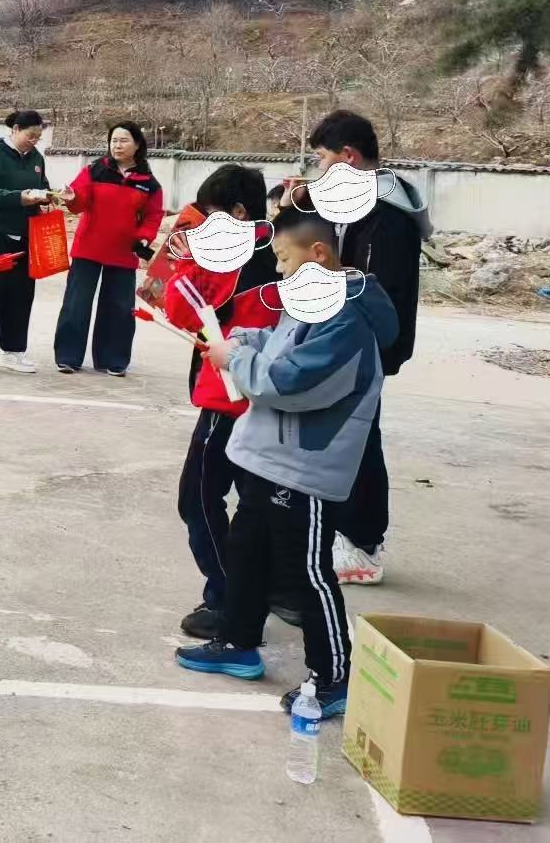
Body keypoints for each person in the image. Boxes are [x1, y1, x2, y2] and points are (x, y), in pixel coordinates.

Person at [175, 206, 398, 719]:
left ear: (317, 253)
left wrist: (235, 359)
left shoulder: (347, 316)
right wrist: (242, 340)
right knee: (247, 550)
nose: (278, 269)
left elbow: (289, 381)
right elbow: (280, 344)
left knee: (305, 572)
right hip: (269, 455)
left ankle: (334, 676)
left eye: (283, 258)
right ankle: (239, 642)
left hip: (305, 466)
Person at [303, 110, 430, 587]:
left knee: (359, 437)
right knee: (346, 435)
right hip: (346, 339)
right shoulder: (360, 204)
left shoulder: (386, 215)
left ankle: (363, 542)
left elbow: (375, 289)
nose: (318, 169)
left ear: (348, 157)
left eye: (322, 159)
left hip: (366, 343)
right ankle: (346, 532)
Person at [163, 164, 280, 641]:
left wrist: (185, 262)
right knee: (255, 507)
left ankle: (230, 598)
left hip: (229, 398)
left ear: (237, 213)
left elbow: (179, 308)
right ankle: (257, 593)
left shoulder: (228, 256)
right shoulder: (278, 249)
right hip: (267, 398)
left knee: (198, 498)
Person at [52, 121, 164, 376]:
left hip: (124, 251)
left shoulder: (149, 183)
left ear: (137, 145)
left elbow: (153, 216)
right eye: (114, 140)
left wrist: (144, 238)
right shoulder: (95, 170)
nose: (117, 145)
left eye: (123, 140)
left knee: (119, 307)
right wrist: (71, 198)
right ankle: (68, 357)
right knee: (76, 304)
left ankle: (112, 360)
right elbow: (78, 202)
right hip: (88, 248)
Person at [0, 111, 50, 378]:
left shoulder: (36, 158)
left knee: (21, 294)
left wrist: (50, 196)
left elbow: (43, 185)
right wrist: (19, 198)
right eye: (30, 135)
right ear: (15, 129)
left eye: (38, 137)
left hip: (26, 234)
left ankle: (13, 351)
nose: (33, 141)